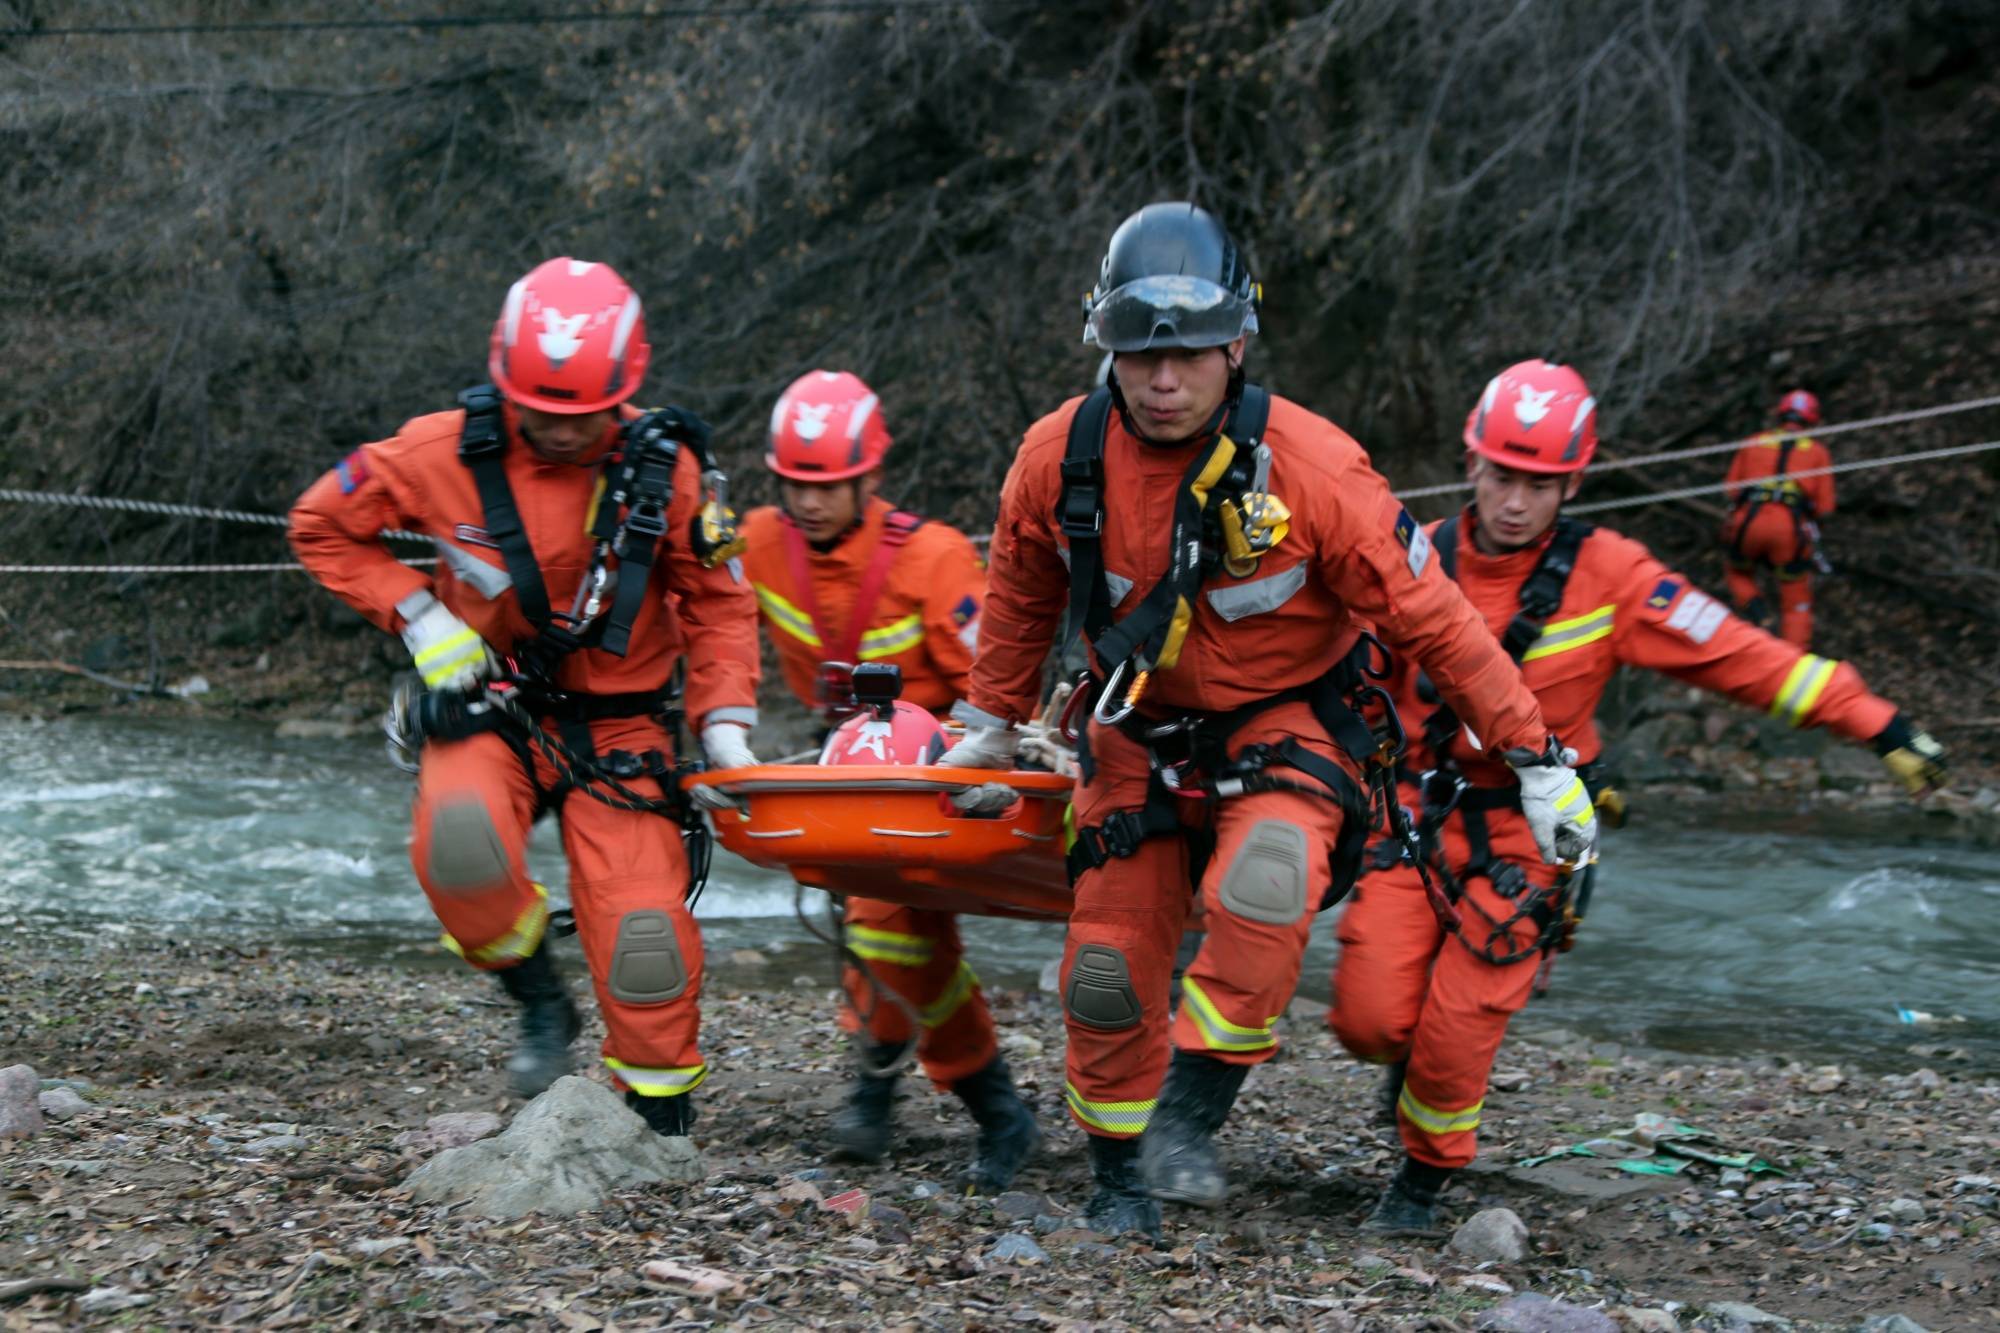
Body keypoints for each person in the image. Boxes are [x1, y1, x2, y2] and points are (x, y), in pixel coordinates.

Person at [939, 202, 1595, 1240]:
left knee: (1267, 878)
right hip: (1133, 726)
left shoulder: (1316, 470)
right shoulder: (1054, 457)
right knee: (1104, 967)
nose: (1162, 382)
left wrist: (1534, 758)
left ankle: (1189, 1117)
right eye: (1138, 356)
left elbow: (1436, 622)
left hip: (1287, 720)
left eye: (1189, 356)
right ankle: (1118, 1178)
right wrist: (984, 724)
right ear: (1103, 345)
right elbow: (1019, 591)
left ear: (1235, 344)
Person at [1330, 360, 1948, 1235]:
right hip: (1415, 816)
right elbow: (1344, 676)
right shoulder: (1413, 556)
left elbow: (1742, 653)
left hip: (1531, 834)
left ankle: (1421, 1185)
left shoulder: (1614, 575)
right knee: (1367, 1017)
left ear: (1573, 481)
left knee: (1458, 1030)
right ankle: (1409, 1061)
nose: (1514, 502)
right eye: (1502, 476)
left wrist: (1879, 723)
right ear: (1472, 465)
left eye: (1539, 484)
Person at [289, 257, 762, 1139]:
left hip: (620, 723)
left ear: (622, 394)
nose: (555, 431)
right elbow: (322, 524)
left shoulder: (668, 473)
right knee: (461, 848)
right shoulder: (436, 452)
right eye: (538, 412)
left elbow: (722, 602)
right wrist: (421, 618)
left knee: (645, 937)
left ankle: (659, 1119)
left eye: (577, 418)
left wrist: (726, 727)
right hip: (493, 710)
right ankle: (541, 997)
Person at [738, 369, 1040, 1190]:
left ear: (870, 477)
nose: (808, 501)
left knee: (885, 935)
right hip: (844, 772)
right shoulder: (758, 542)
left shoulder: (934, 559)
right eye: (796, 483)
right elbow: (700, 589)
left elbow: (1003, 682)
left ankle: (952, 1102)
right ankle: (928, 1096)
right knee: (888, 943)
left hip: (939, 775)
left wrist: (982, 765)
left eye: (828, 484)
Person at [1722, 389, 1836, 645]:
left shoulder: (1753, 442)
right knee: (1795, 597)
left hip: (1748, 523)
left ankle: (1760, 614)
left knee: (1737, 571)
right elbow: (1825, 507)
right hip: (1789, 529)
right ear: (1812, 420)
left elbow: (1731, 489)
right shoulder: (1817, 452)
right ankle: (1793, 660)